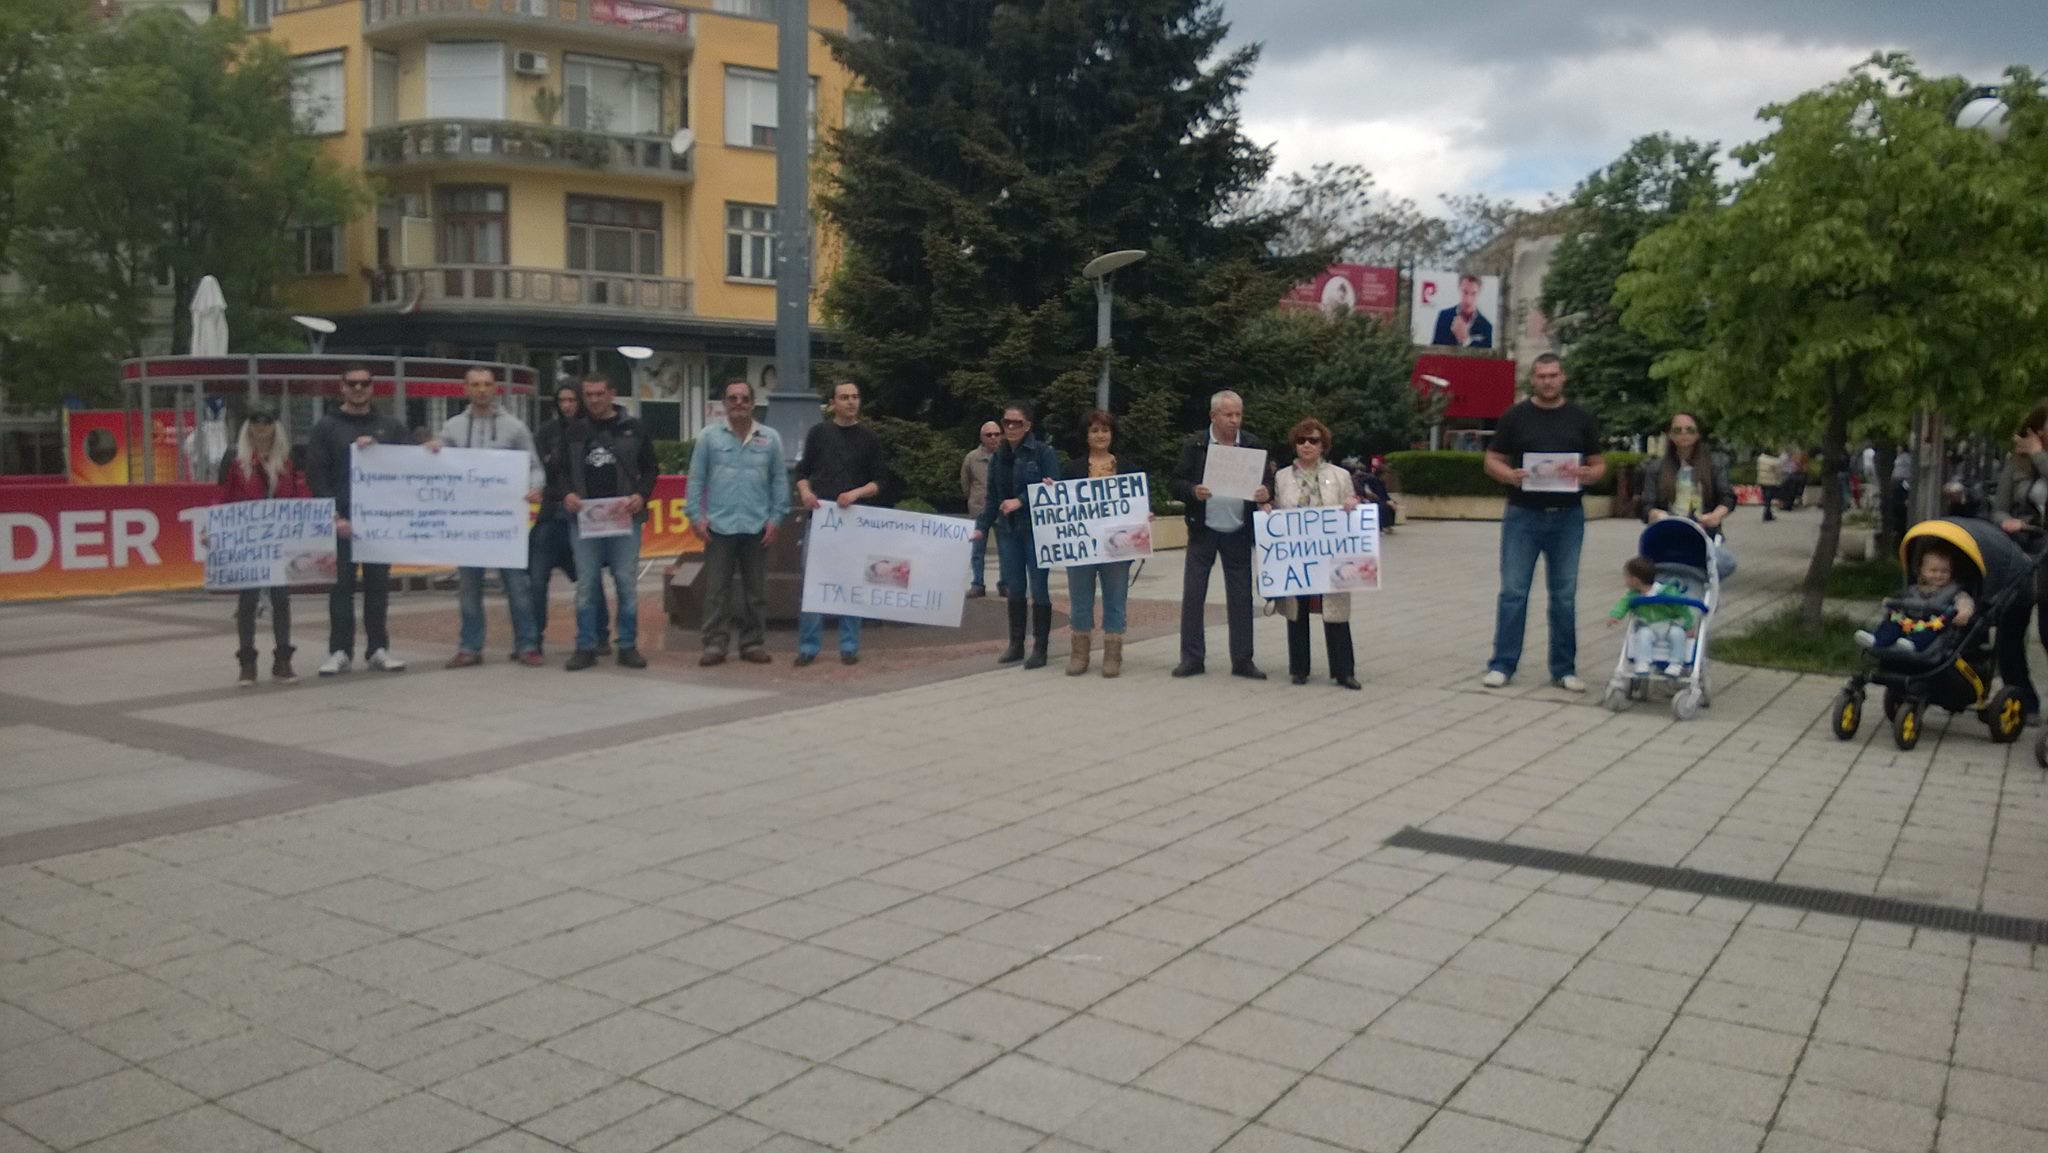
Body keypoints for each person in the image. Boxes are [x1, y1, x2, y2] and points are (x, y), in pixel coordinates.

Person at [1482, 354, 1605, 690]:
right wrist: (1509, 475)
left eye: (1553, 375)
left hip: (1568, 517)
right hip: (1523, 514)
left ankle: (1564, 668)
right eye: (1541, 376)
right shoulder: (1515, 416)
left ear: (1563, 377)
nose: (1547, 381)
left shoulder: (1580, 418)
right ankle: (1503, 664)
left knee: (1564, 594)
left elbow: (1598, 465)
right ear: (1532, 380)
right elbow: (1492, 459)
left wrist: (1587, 475)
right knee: (1513, 592)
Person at [433, 367, 544, 668]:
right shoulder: (453, 427)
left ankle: (527, 645)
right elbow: (437, 464)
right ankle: (470, 647)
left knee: (517, 588)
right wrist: (430, 452)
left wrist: (535, 488)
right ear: (465, 389)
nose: (481, 390)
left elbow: (534, 466)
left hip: (505, 521)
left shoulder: (515, 427)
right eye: (475, 385)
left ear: (496, 388)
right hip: (468, 522)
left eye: (487, 384)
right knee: (468, 588)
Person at [306, 363, 412, 676]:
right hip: (341, 522)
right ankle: (339, 650)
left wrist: (387, 450)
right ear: (341, 387)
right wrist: (333, 515)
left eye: (364, 383)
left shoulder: (389, 426)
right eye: (351, 384)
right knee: (340, 589)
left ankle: (378, 648)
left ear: (372, 387)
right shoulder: (326, 427)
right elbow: (317, 474)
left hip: (379, 522)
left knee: (378, 588)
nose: (358, 389)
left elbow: (411, 463)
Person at [686, 379, 789, 666]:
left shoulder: (770, 438)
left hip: (757, 527)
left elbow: (779, 481)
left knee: (756, 592)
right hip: (719, 527)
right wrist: (696, 516)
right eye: (733, 398)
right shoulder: (709, 437)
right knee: (716, 590)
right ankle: (715, 644)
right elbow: (696, 479)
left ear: (753, 403)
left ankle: (752, 643)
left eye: (744, 398)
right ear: (724, 404)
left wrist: (776, 519)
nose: (739, 403)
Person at [1171, 390, 1272, 679]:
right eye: (1228, 415)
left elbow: (1267, 481)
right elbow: (1175, 481)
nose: (1235, 420)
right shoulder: (1196, 444)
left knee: (1241, 596)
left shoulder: (1252, 444)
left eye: (1238, 414)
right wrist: (1193, 491)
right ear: (1213, 416)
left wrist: (1266, 491)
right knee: (1194, 594)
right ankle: (1191, 658)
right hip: (1204, 529)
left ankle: (1243, 659)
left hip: (1238, 529)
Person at [560, 372, 657, 671]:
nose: (594, 400)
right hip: (585, 520)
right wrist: (567, 494)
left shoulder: (634, 428)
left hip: (624, 519)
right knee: (587, 585)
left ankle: (627, 645)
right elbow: (561, 473)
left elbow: (651, 468)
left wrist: (641, 495)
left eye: (599, 393)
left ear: (612, 393)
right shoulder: (574, 431)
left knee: (626, 583)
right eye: (588, 395)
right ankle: (586, 645)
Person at [795, 381, 884, 666]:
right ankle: (809, 646)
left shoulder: (869, 438)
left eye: (855, 397)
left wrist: (856, 493)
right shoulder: (818, 433)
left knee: (852, 582)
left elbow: (879, 482)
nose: (850, 402)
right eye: (844, 397)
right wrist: (806, 492)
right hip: (821, 518)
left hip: (854, 520)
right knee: (813, 583)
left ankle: (849, 645)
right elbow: (802, 471)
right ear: (833, 402)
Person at [218, 410, 308, 686]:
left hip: (280, 538)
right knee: (247, 601)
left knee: (281, 599)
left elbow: (301, 493)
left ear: (275, 426)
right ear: (248, 426)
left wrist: (314, 517)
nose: (261, 428)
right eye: (255, 422)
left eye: (267, 422)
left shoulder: (289, 460)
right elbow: (223, 498)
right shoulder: (235, 460)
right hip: (250, 539)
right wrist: (213, 528)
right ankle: (247, 661)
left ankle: (283, 659)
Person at [973, 400, 1062, 668]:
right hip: (1008, 530)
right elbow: (992, 498)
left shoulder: (1043, 452)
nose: (1010, 427)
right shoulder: (999, 456)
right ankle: (1016, 644)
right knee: (1014, 587)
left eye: (1016, 423)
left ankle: (1041, 648)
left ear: (1028, 426)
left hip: (1036, 530)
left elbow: (1053, 488)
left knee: (1039, 588)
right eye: (1006, 422)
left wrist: (1022, 500)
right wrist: (980, 526)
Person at [1273, 419, 1361, 690]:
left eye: (1313, 440)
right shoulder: (1282, 476)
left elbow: (1352, 503)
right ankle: (1299, 668)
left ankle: (1343, 670)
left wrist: (1351, 504)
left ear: (1323, 445)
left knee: (1335, 609)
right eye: (1301, 441)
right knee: (1296, 609)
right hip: (1297, 553)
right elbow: (1277, 509)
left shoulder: (1340, 475)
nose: (1307, 445)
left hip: (1330, 552)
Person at [531, 383, 607, 657]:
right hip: (551, 517)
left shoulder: (592, 430)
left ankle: (600, 636)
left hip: (582, 518)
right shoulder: (546, 432)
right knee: (536, 579)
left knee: (590, 580)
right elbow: (537, 470)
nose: (567, 406)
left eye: (572, 400)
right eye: (562, 400)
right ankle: (532, 639)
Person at [1062, 410, 1138, 678]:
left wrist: (1144, 516)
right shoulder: (1071, 469)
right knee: (1080, 599)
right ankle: (1079, 654)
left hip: (1117, 546)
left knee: (1116, 598)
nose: (1100, 435)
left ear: (1112, 434)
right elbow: (1061, 507)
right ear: (1086, 436)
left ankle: (1113, 654)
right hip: (1081, 546)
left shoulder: (1128, 468)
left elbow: (1138, 504)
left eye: (1105, 430)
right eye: (1094, 430)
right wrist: (1050, 492)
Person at [1995, 401, 2048, 719]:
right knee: (2009, 627)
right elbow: (1999, 505)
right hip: (2020, 548)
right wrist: (2005, 521)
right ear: (2038, 426)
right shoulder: (2015, 463)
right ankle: (2023, 698)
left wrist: (2039, 455)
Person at [1641, 412, 1737, 578]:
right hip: (1669, 531)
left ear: (1698, 433)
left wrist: (1716, 515)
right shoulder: (1656, 468)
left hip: (1703, 531)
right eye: (1677, 430)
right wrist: (1655, 514)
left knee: (1725, 563)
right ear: (1670, 435)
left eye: (1689, 430)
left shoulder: (1715, 463)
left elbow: (1727, 497)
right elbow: (1645, 506)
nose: (1684, 434)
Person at [1855, 542, 1973, 654]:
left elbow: (1964, 601)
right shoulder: (1913, 590)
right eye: (1933, 571)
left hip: (1932, 625)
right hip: (1908, 623)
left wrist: (1963, 612)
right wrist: (1891, 603)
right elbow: (1899, 602)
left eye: (1944, 572)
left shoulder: (1954, 591)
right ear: (1922, 571)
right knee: (1893, 622)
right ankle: (1877, 639)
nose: (1938, 575)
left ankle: (1913, 643)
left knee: (1930, 631)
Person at [1608, 556, 1693, 677]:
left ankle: (1676, 663)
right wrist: (1616, 615)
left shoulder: (1667, 592)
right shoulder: (1633, 596)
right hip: (1648, 625)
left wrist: (1689, 625)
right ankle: (1642, 662)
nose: (1625, 580)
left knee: (1677, 634)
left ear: (1635, 580)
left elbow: (1682, 609)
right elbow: (1623, 604)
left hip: (1669, 624)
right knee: (1643, 635)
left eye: (1626, 576)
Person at [961, 421, 1001, 598]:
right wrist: (974, 500)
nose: (993, 437)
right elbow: (965, 483)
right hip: (979, 509)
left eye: (996, 434)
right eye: (989, 434)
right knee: (977, 551)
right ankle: (977, 583)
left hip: (1002, 510)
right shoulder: (971, 458)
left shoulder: (1007, 456)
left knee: (1006, 550)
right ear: (981, 437)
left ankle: (1005, 583)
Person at [1431, 273, 1493, 349]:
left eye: (1473, 294)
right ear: (1459, 289)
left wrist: (1466, 340)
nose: (1468, 299)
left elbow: (1487, 357)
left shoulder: (1486, 326)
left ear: (1479, 293)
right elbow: (1434, 350)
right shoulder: (1444, 316)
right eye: (1465, 292)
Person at [1756, 448, 1783, 522]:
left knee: (1766, 498)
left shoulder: (1760, 459)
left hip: (1761, 480)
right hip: (1770, 482)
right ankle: (1766, 515)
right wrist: (1779, 481)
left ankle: (1769, 514)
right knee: (1768, 499)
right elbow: (1778, 472)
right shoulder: (1774, 461)